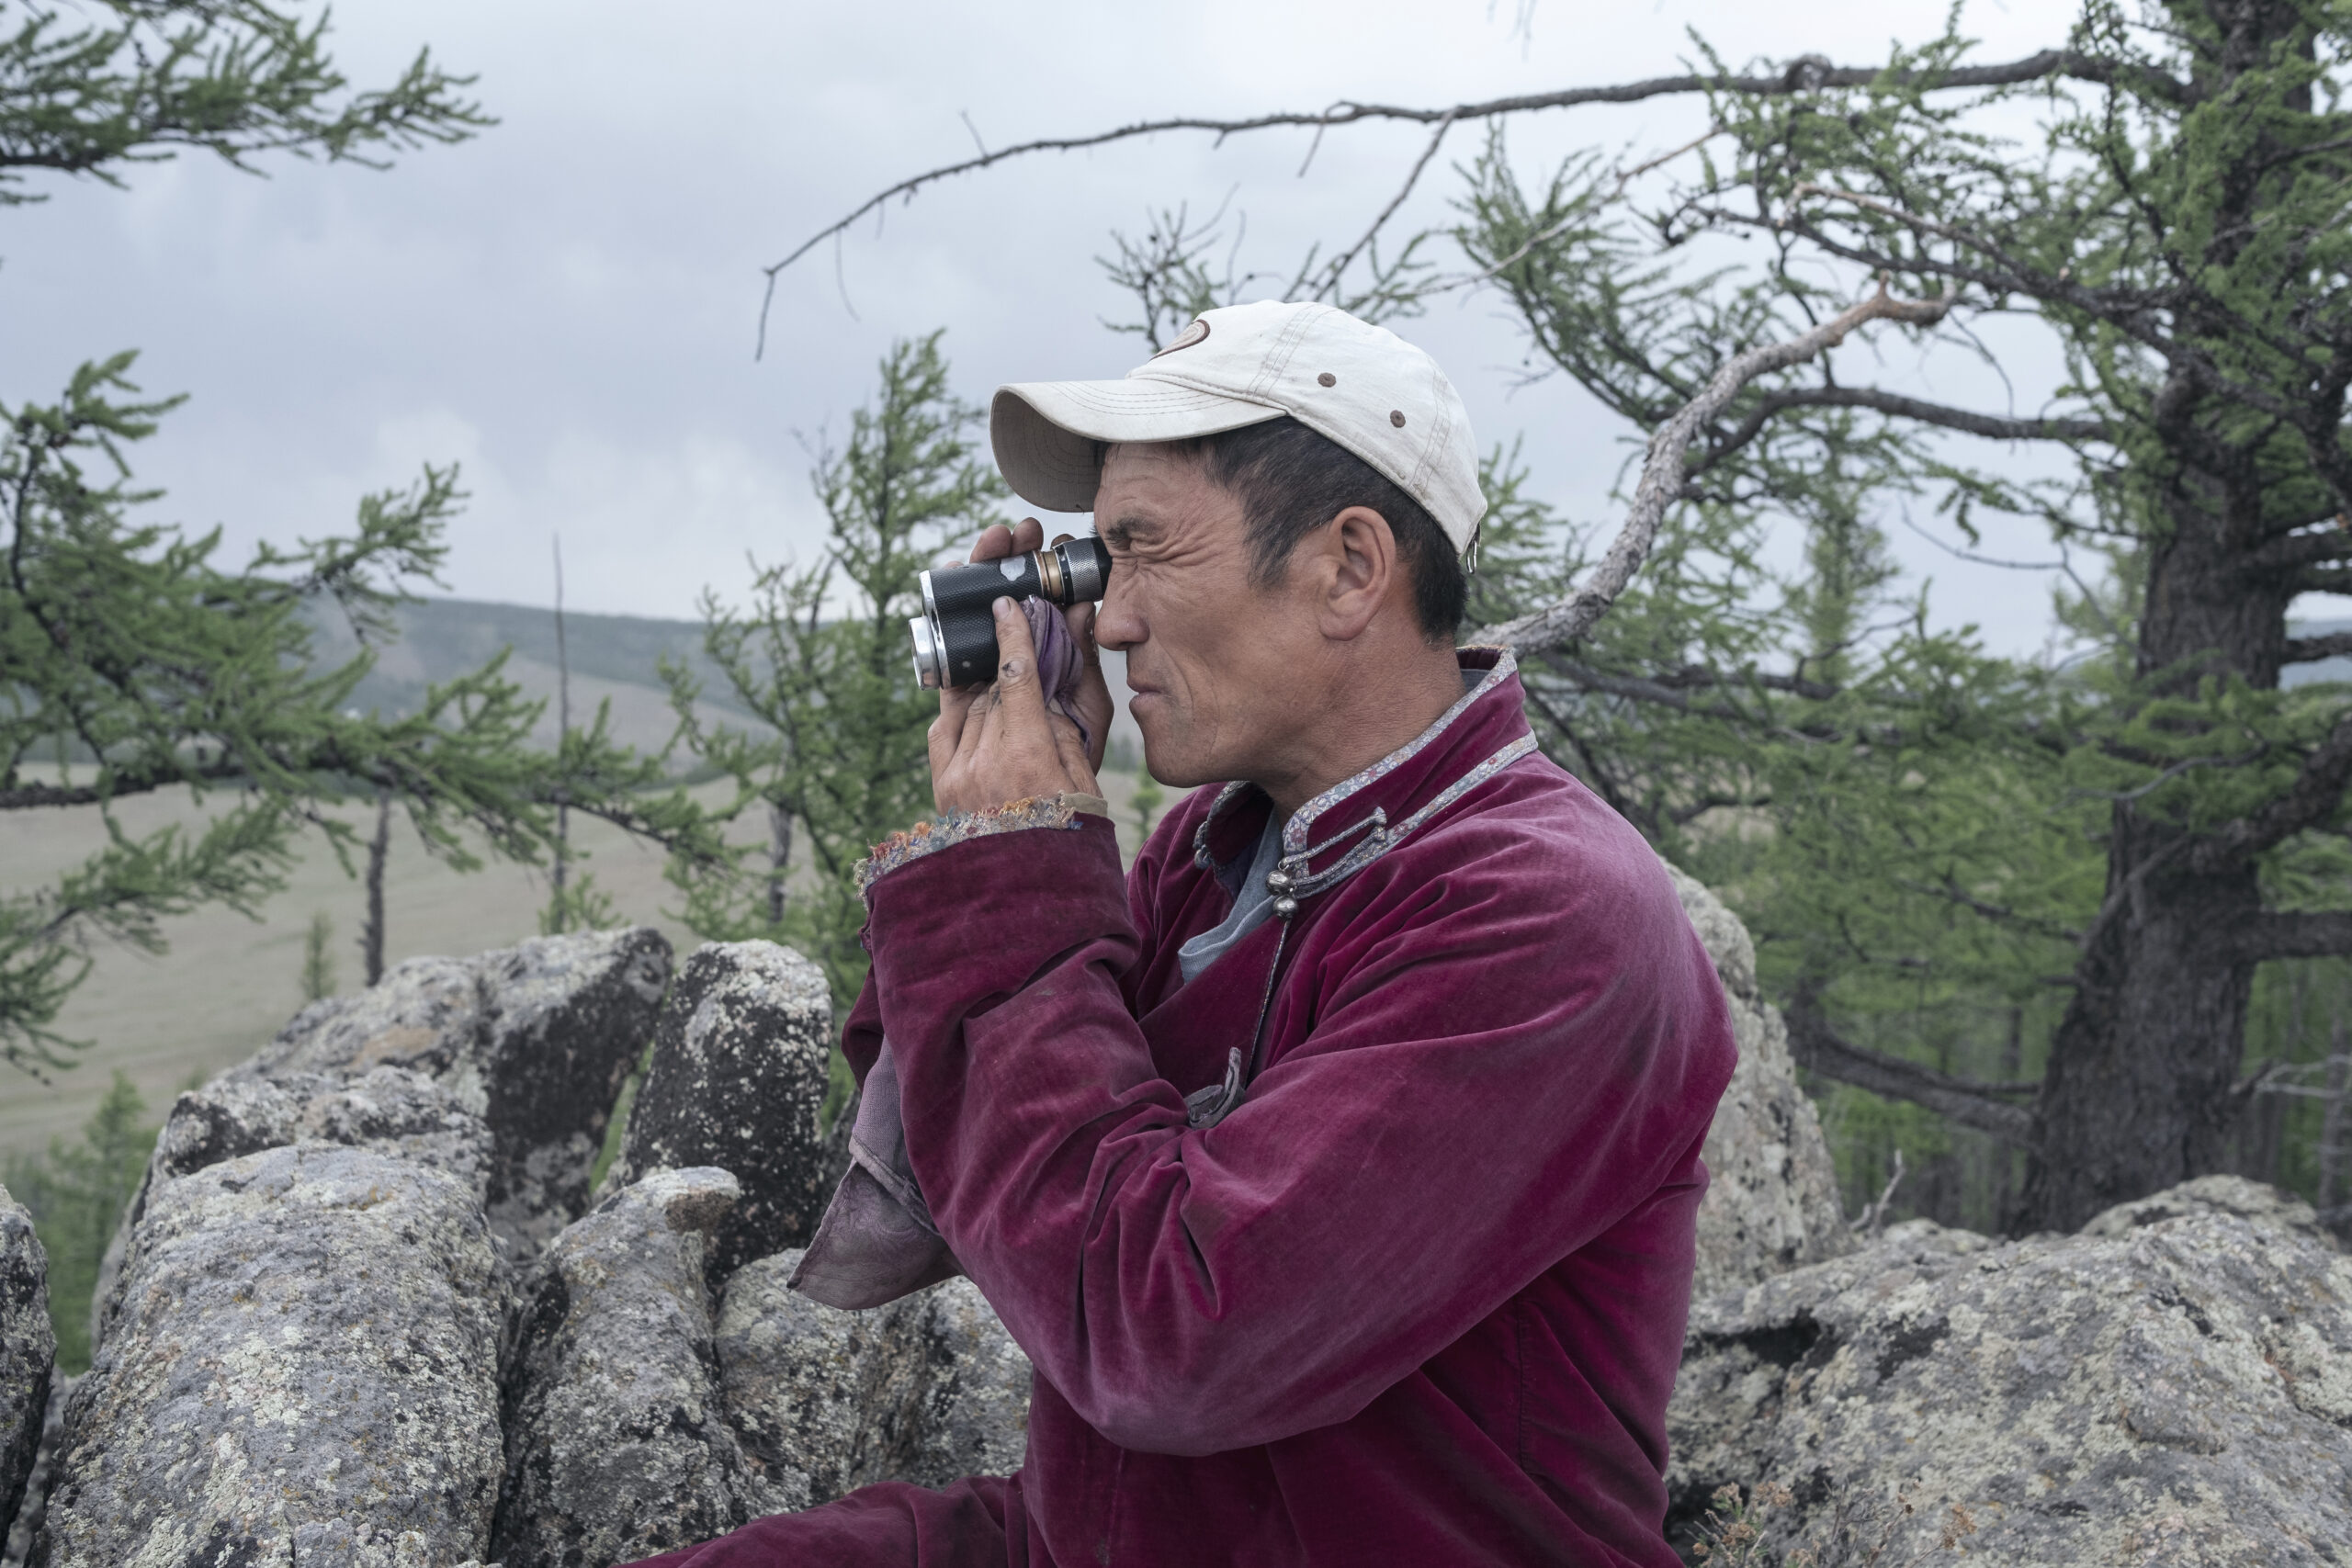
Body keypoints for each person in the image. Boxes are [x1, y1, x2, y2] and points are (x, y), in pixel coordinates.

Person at [631, 299, 1737, 1567]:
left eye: (1147, 551)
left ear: (1350, 567)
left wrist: (1017, 887)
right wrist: (996, 852)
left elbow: (1170, 1344)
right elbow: (963, 1195)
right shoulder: (1215, 861)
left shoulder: (1544, 912)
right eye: (1096, 562)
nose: (1105, 619)